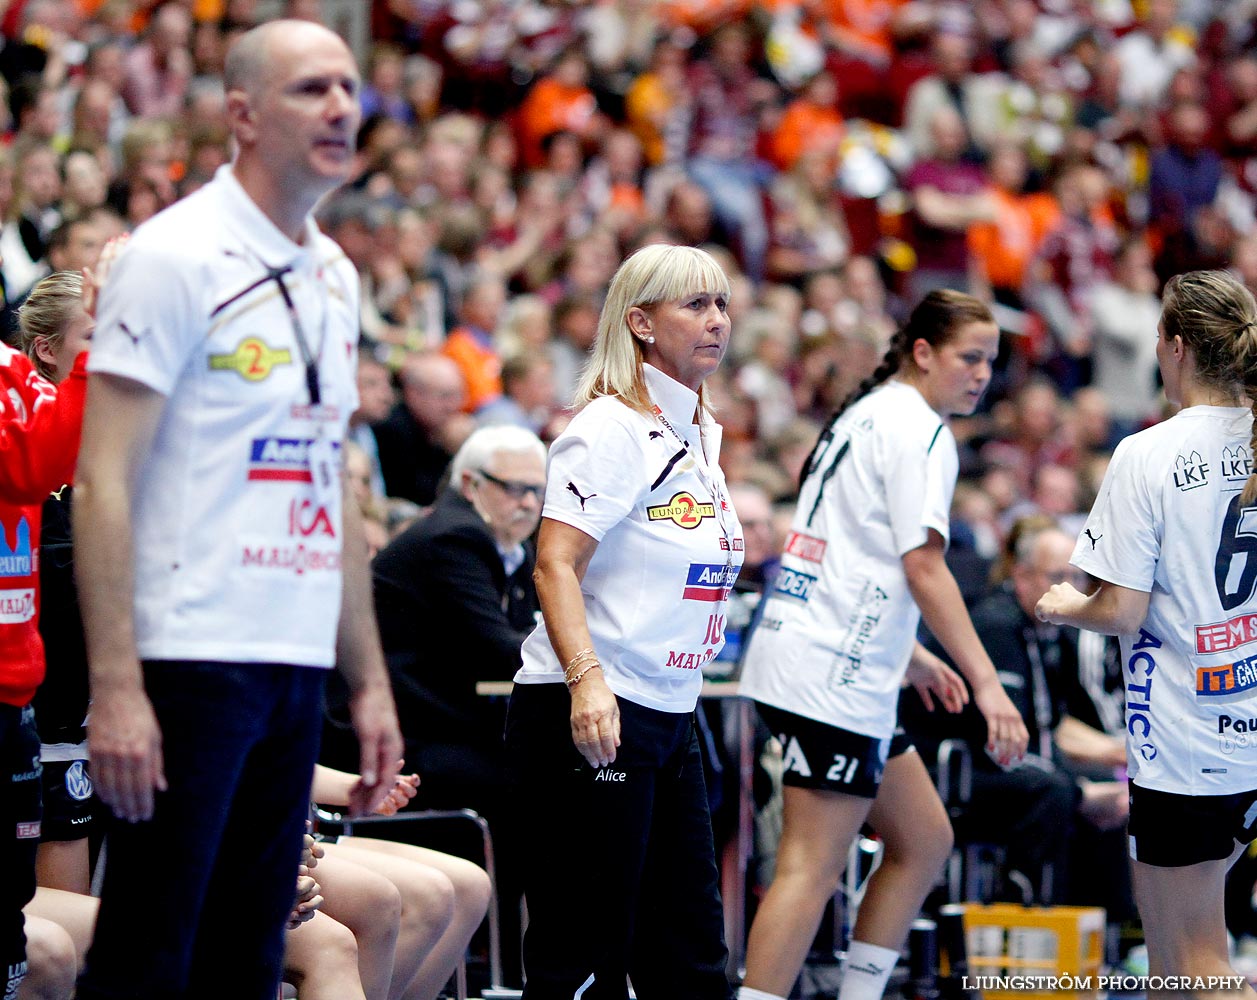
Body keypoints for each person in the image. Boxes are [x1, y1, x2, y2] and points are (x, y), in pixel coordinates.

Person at [72, 19, 402, 999]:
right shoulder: (174, 255)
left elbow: (330, 482)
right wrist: (118, 683)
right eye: (312, 89)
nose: (342, 107)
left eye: (350, 87)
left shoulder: (336, 277)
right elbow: (101, 482)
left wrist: (369, 682)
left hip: (294, 663)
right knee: (148, 955)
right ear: (242, 115)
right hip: (185, 658)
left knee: (249, 963)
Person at [736, 290, 1028, 1000]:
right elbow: (921, 565)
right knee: (810, 865)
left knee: (923, 838)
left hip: (824, 657)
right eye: (969, 357)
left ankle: (860, 994)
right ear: (922, 352)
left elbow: (846, 550)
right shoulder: (919, 431)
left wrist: (912, 653)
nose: (982, 374)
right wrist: (986, 683)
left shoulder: (868, 413)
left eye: (990, 361)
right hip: (828, 674)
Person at [504, 243, 743, 999]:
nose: (716, 320)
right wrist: (587, 683)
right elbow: (553, 564)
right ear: (639, 322)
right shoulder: (609, 428)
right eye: (694, 305)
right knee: (584, 954)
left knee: (690, 951)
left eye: (721, 304)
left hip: (669, 714)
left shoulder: (700, 432)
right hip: (590, 711)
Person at [1037, 269, 1257, 997]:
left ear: (1174, 346)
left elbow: (1120, 610)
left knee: (1197, 964)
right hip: (1242, 728)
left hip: (1186, 741)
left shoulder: (1149, 453)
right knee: (1169, 961)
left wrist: (1065, 604)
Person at [0, 299, 87, 1000]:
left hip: (18, 683)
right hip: (26, 686)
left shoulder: (14, 375)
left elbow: (54, 458)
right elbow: (33, 468)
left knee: (16, 927)